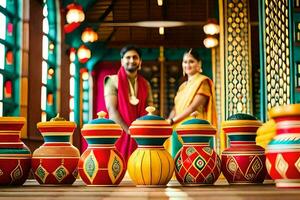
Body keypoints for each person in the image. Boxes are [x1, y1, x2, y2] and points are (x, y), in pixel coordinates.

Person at [104, 45, 153, 163]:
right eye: (128, 57)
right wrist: (130, 131)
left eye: (135, 57)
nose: (131, 60)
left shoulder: (145, 84)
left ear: (140, 61)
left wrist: (142, 131)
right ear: (122, 61)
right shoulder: (112, 81)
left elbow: (150, 110)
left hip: (140, 135)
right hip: (119, 133)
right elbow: (112, 110)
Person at [165, 49, 218, 157]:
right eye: (185, 62)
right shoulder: (183, 86)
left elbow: (193, 107)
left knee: (195, 161)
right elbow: (176, 108)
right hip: (177, 126)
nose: (187, 64)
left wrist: (172, 121)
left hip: (194, 127)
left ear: (199, 64)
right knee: (177, 161)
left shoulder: (203, 82)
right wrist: (167, 123)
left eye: (191, 61)